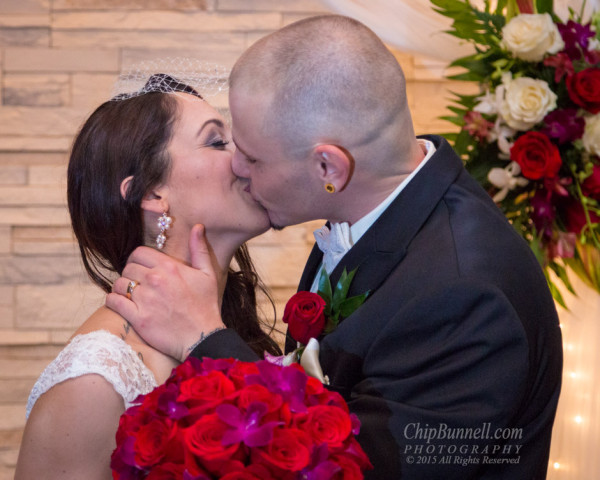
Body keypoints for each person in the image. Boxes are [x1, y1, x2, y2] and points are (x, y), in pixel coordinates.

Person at [107, 15, 563, 479]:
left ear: (329, 168)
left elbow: (353, 471)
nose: (237, 167)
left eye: (252, 155)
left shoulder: (465, 295)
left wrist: (205, 340)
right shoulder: (376, 212)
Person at [14, 70, 281, 479]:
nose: (243, 157)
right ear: (151, 194)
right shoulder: (96, 378)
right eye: (216, 142)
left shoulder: (227, 325)